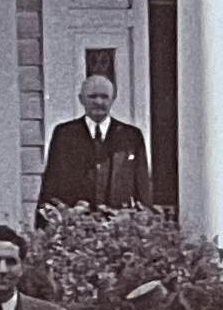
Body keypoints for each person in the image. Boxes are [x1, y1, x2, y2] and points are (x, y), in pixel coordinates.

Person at [38, 73, 153, 213]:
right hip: (76, 224)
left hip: (119, 224)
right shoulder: (64, 135)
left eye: (104, 96)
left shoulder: (131, 136)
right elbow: (51, 183)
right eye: (92, 96)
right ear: (81, 99)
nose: (99, 102)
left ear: (113, 98)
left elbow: (142, 188)